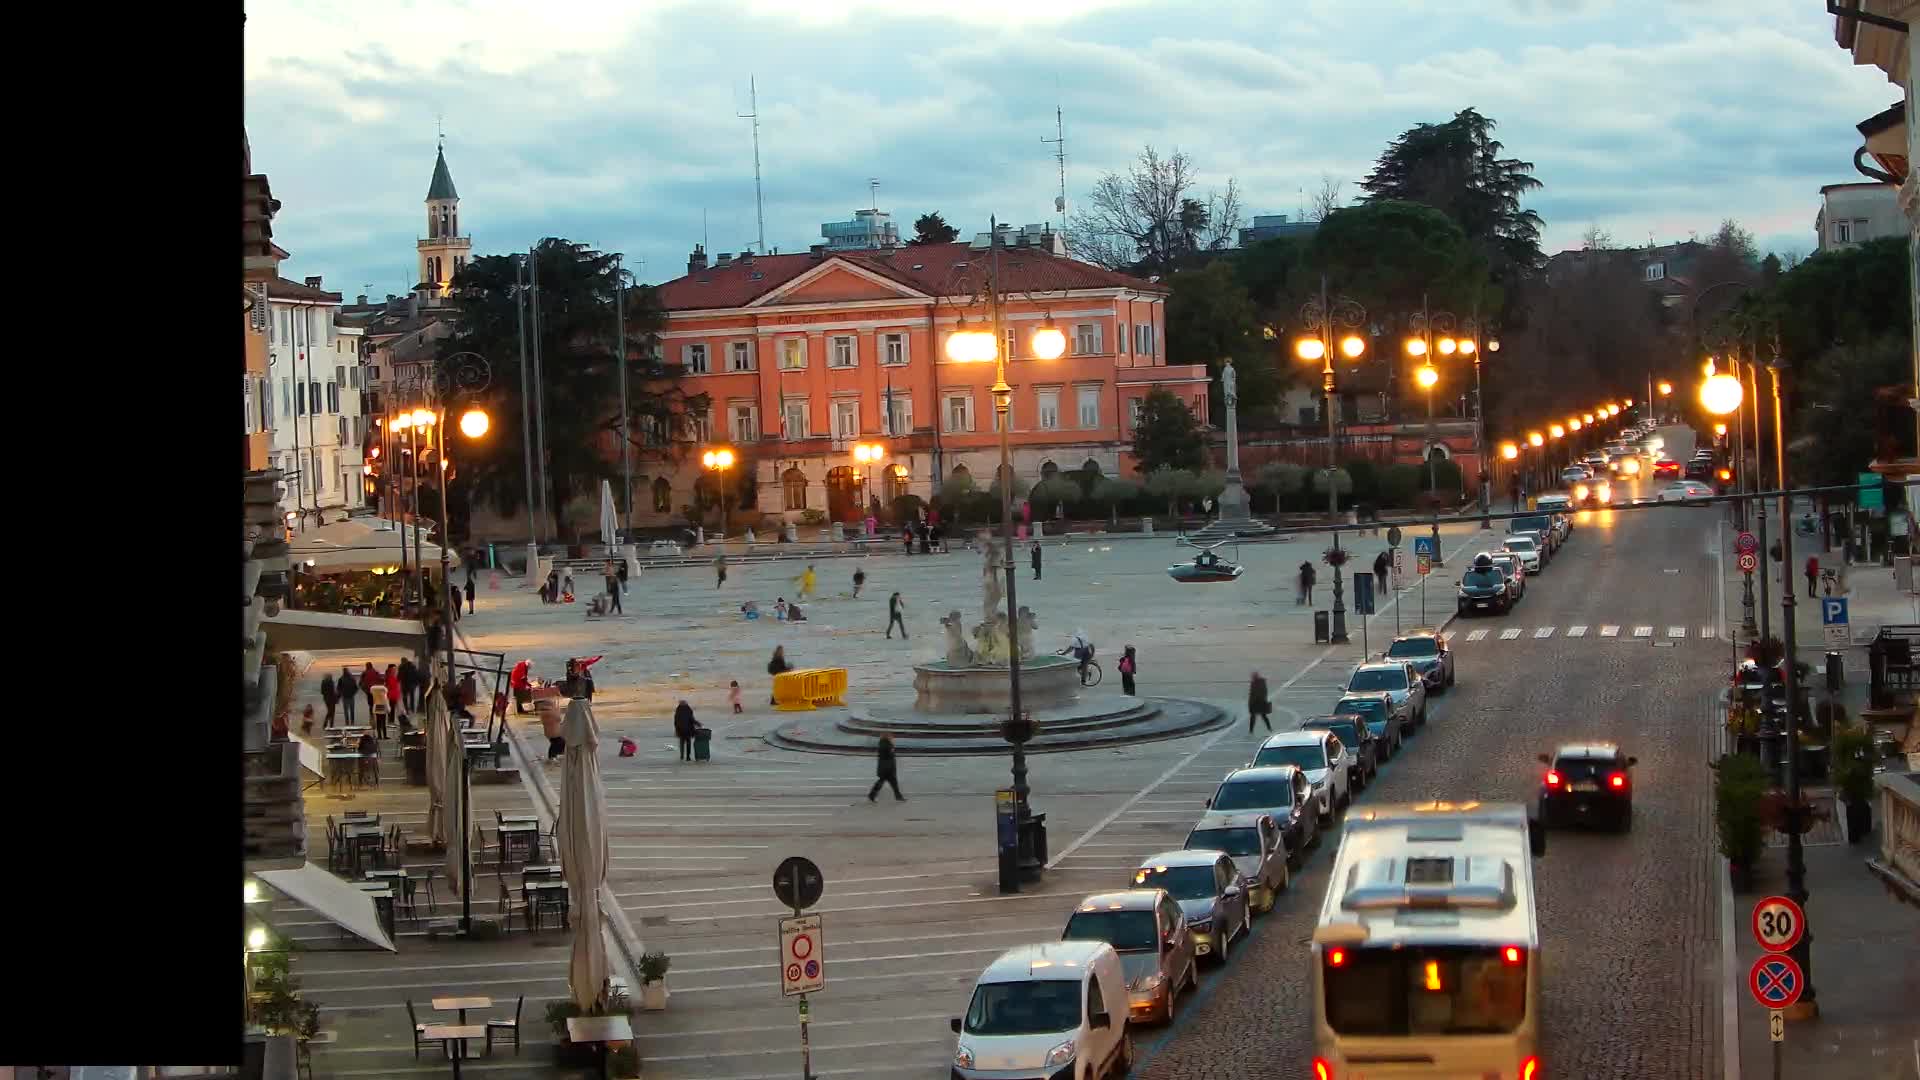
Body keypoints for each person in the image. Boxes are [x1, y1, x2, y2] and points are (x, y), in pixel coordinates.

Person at [868, 733, 905, 802]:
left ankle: (898, 796)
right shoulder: (887, 746)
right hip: (887, 769)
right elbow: (889, 756)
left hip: (885, 768)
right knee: (884, 783)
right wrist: (892, 749)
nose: (893, 739)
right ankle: (872, 795)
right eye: (891, 737)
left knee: (891, 783)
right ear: (888, 737)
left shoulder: (883, 745)